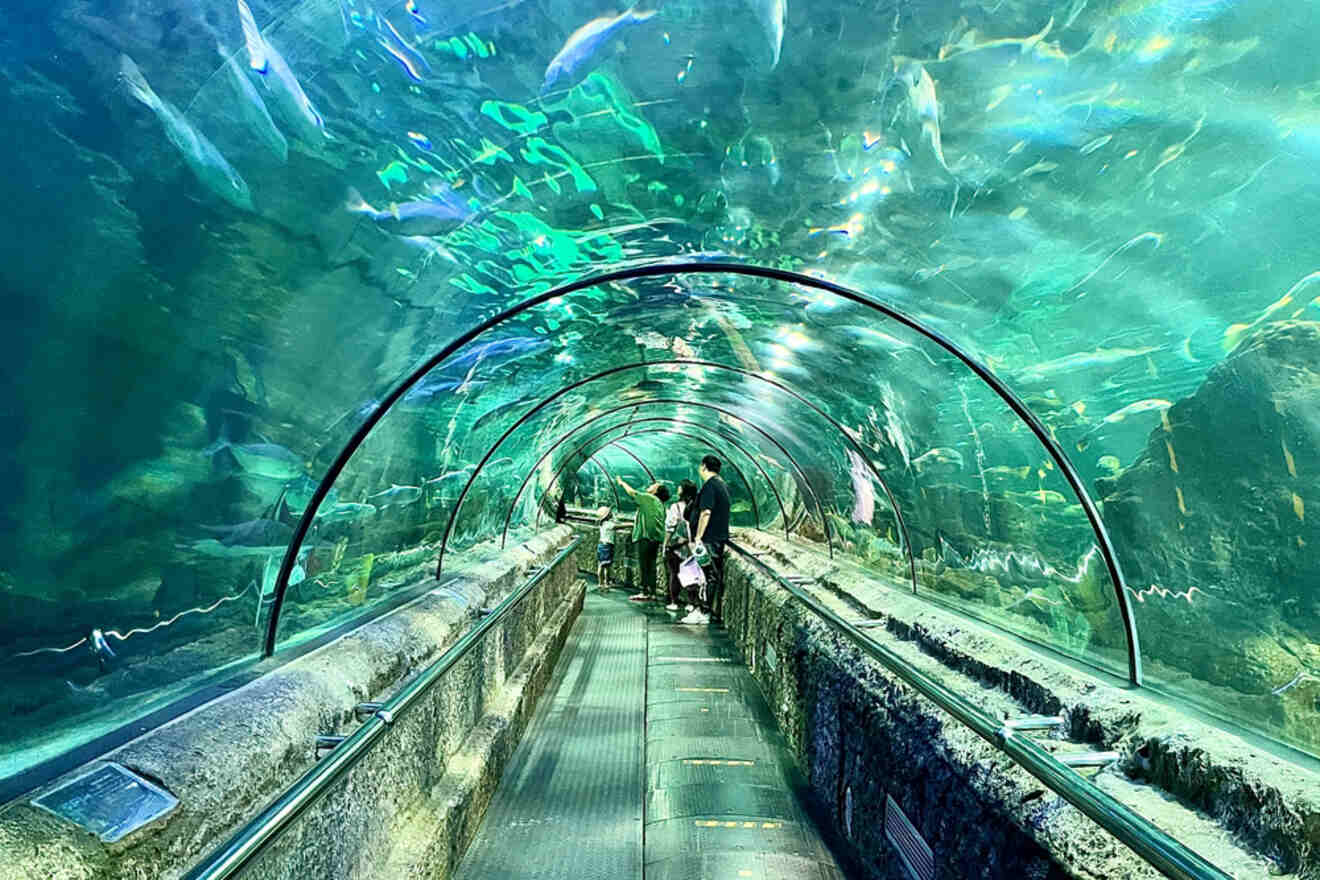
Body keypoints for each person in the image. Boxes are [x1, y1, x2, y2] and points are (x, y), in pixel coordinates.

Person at [681, 455, 731, 625]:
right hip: (716, 538)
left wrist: (698, 537)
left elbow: (706, 512)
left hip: (708, 540)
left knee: (707, 575)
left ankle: (703, 612)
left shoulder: (710, 486)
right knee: (709, 575)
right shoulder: (721, 484)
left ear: (703, 466)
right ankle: (704, 610)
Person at [617, 477, 668, 601]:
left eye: (654, 485)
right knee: (651, 565)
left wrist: (622, 483)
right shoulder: (660, 504)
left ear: (656, 491)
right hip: (655, 539)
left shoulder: (649, 498)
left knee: (644, 565)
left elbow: (632, 493)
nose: (650, 486)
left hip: (645, 537)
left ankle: (644, 591)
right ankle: (652, 592)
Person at [663, 479, 698, 611]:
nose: (677, 490)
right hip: (692, 545)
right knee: (691, 573)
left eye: (679, 488)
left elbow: (670, 528)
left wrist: (665, 545)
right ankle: (691, 603)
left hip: (677, 546)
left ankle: (674, 602)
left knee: (674, 573)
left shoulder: (675, 507)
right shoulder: (696, 506)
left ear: (683, 491)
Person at [595, 505, 615, 590]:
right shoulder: (608, 524)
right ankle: (606, 583)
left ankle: (600, 583)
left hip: (601, 545)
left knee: (600, 565)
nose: (612, 513)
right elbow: (617, 526)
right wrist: (631, 524)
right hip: (607, 546)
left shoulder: (602, 524)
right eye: (610, 513)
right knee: (607, 566)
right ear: (607, 516)